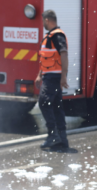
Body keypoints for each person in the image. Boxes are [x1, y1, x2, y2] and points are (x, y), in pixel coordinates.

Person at [35, 10, 70, 149]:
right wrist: (39, 74)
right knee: (56, 107)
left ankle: (53, 135)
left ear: (48, 20)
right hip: (49, 76)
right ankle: (62, 139)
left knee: (43, 102)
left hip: (54, 77)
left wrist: (63, 76)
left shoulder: (57, 35)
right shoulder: (49, 36)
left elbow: (64, 54)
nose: (43, 23)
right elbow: (46, 59)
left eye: (43, 20)